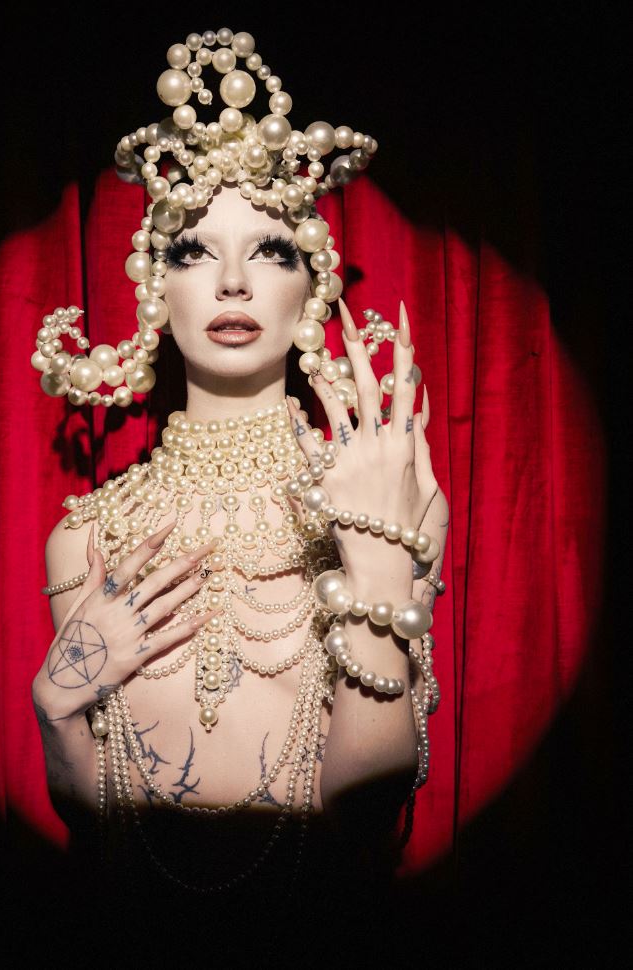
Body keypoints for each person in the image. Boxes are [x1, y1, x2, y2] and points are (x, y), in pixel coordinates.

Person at [29, 27, 448, 946]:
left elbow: (362, 814)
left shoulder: (386, 491)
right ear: (154, 289)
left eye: (270, 251)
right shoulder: (88, 537)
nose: (229, 282)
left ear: (310, 287)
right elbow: (96, 830)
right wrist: (55, 706)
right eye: (191, 252)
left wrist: (378, 570)